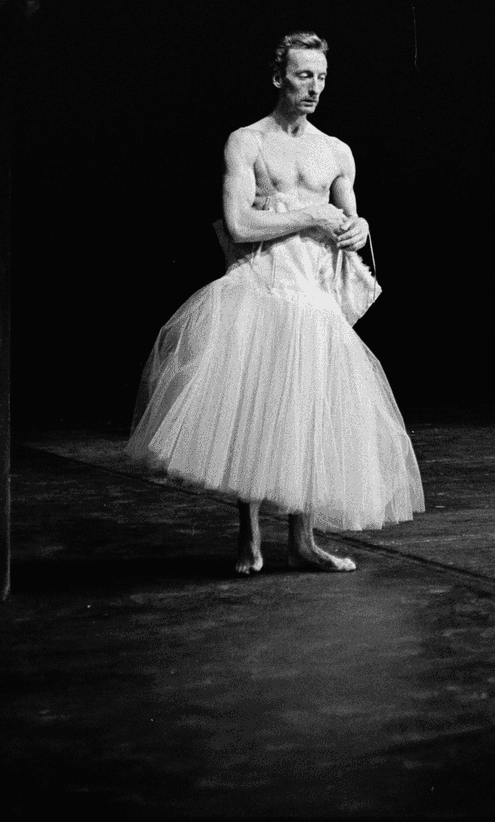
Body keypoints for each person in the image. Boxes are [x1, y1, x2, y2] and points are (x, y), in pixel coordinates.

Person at [127, 31, 424, 573]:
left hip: (314, 296)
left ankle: (304, 540)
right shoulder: (248, 142)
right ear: (278, 77)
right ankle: (249, 537)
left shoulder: (337, 150)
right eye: (303, 75)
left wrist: (357, 229)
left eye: (322, 77)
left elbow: (351, 220)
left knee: (308, 409)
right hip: (262, 287)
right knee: (254, 405)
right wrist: (312, 216)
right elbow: (240, 225)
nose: (314, 87)